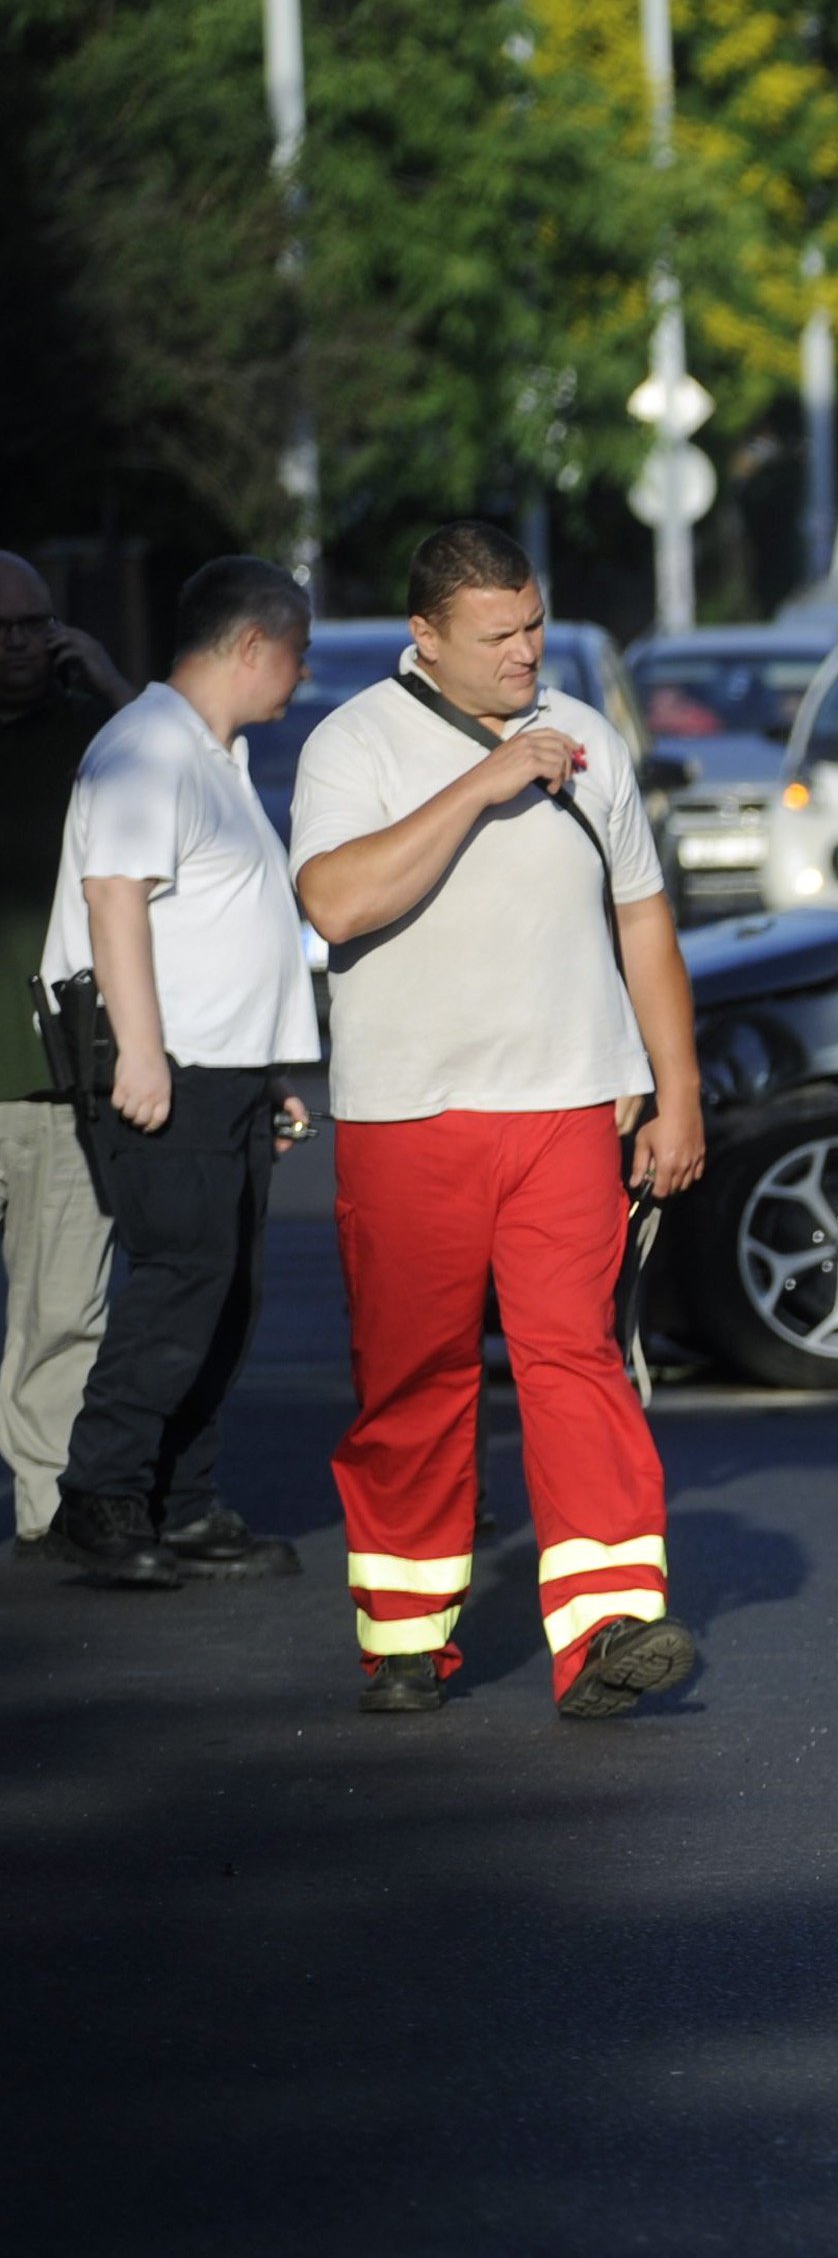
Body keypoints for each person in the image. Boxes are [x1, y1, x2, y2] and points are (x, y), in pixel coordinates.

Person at [290, 523, 706, 1719]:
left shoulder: (591, 745)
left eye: (533, 624)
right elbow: (335, 902)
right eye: (499, 636)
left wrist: (675, 1092)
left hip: (566, 1107)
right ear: (426, 638)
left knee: (574, 1361)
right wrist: (481, 781)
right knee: (413, 1375)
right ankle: (406, 1632)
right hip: (406, 1113)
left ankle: (609, 1631)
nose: (527, 652)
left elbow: (643, 923)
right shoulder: (352, 744)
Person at [36, 556, 320, 1587]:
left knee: (225, 1296)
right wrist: (144, 1052)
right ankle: (101, 1499)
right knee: (176, 1285)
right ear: (250, 646)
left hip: (222, 1071)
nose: (300, 676)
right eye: (295, 653)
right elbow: (115, 899)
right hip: (167, 1072)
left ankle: (183, 1501)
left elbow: (215, 926)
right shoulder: (150, 750)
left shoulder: (206, 754)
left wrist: (265, 1071)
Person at [1, 551, 135, 1561]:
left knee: (61, 1313)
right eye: (1, 630)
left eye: (34, 625)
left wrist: (117, 691)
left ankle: (46, 1514)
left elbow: (199, 793)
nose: (19, 647)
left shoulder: (101, 741)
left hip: (54, 1077)